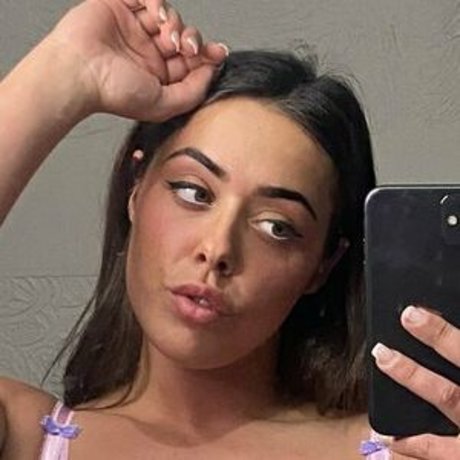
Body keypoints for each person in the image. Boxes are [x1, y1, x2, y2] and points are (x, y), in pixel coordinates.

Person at [0, 0, 458, 458]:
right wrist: (67, 69)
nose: (217, 248)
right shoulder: (29, 440)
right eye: (193, 192)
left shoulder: (411, 450)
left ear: (323, 263)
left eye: (276, 226)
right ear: (135, 189)